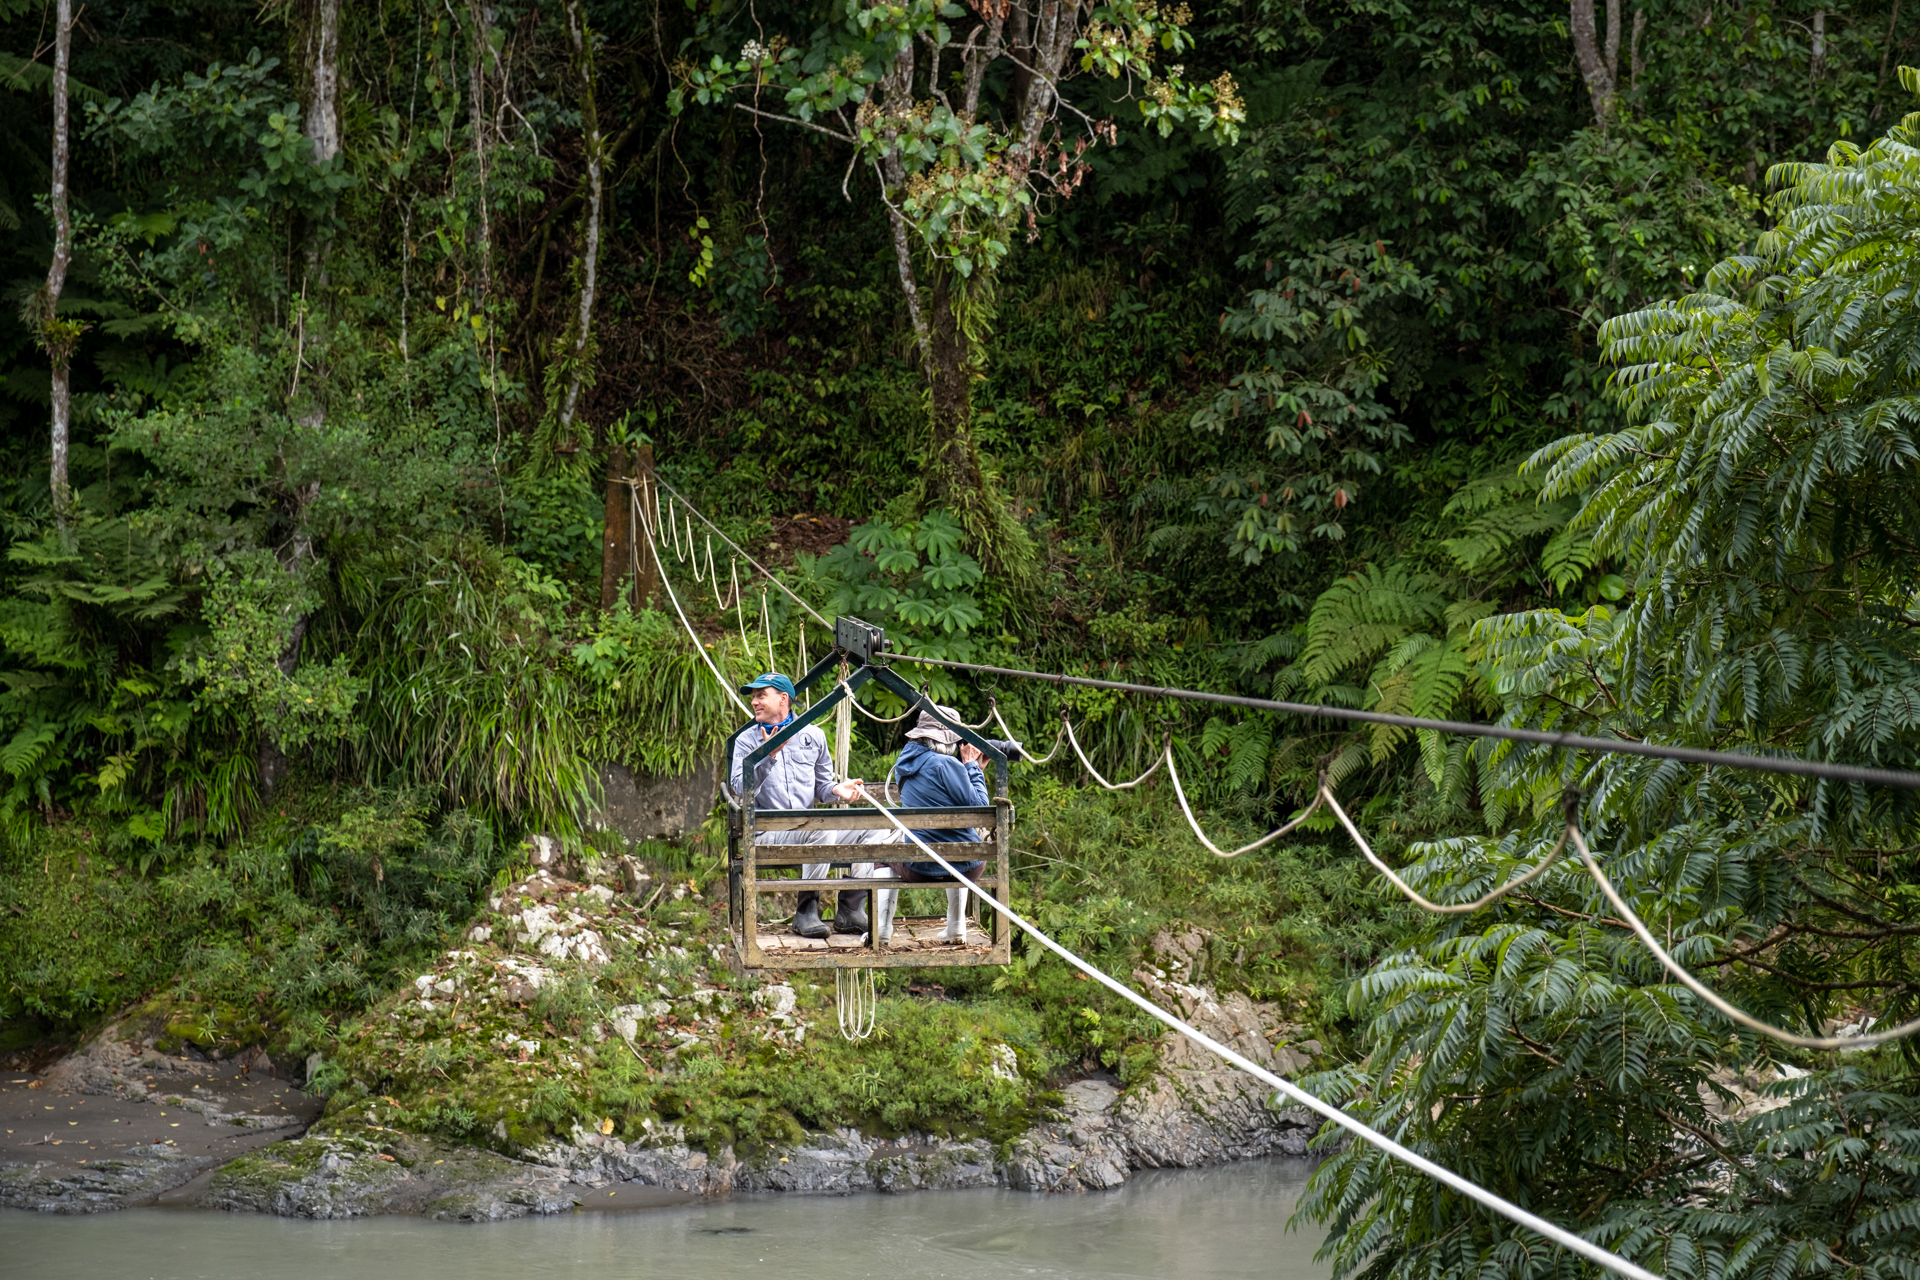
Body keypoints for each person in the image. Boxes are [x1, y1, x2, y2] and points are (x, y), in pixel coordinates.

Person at [728, 672, 871, 939]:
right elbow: (740, 789)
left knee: (872, 830)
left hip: (809, 829)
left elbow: (822, 788)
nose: (754, 702)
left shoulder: (813, 736)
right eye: (754, 697)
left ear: (784, 699)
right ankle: (806, 911)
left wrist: (837, 790)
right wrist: (768, 754)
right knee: (820, 828)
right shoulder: (747, 740)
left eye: (761, 696)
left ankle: (851, 908)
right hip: (766, 833)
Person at [871, 706, 990, 944]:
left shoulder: (903, 764)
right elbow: (981, 808)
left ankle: (881, 930)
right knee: (960, 849)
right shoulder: (948, 765)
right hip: (966, 865)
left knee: (883, 855)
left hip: (919, 865)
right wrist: (973, 768)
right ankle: (956, 927)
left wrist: (968, 771)